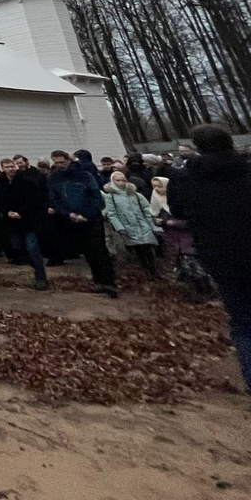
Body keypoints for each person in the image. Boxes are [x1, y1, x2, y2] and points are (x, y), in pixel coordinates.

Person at [168, 124, 251, 394]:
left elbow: (177, 209)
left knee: (242, 321)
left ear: (197, 147)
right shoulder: (246, 169)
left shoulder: (184, 179)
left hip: (220, 256)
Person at [48, 150, 117, 297]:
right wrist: (68, 213)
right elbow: (55, 199)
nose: (59, 165)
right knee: (87, 251)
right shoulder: (54, 178)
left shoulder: (84, 175)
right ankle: (98, 281)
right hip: (72, 218)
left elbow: (95, 195)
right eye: (56, 163)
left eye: (62, 162)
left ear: (68, 160)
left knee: (99, 250)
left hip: (91, 218)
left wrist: (86, 214)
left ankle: (109, 282)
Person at [0, 157, 49, 289]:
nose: (10, 169)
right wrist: (7, 212)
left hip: (28, 220)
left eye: (12, 166)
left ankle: (40, 277)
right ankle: (36, 265)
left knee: (32, 247)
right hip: (11, 221)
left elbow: (32, 200)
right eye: (7, 167)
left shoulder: (26, 181)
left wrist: (21, 212)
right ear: (2, 168)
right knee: (18, 246)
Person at [101, 171, 159, 276]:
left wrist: (151, 223)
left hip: (142, 224)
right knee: (138, 250)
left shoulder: (136, 194)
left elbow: (147, 209)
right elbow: (112, 214)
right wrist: (119, 227)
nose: (121, 183)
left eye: (123, 180)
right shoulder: (111, 197)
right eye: (118, 180)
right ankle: (145, 271)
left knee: (149, 248)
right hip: (127, 226)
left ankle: (153, 271)